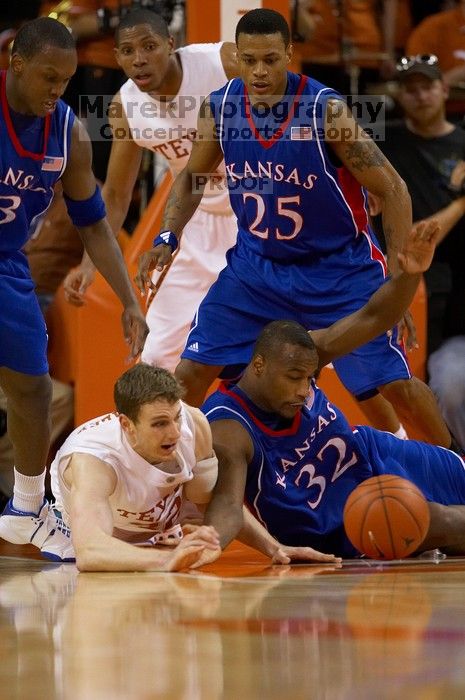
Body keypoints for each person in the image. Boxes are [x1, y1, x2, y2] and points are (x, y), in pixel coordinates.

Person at [136, 7, 451, 447]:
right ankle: (172, 484)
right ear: (238, 59)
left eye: (270, 59)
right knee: (189, 373)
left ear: (289, 54)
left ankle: (453, 467)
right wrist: (168, 236)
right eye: (249, 60)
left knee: (391, 385)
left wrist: (399, 284)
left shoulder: (326, 111)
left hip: (337, 268)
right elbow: (191, 177)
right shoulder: (221, 107)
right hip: (257, 269)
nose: (259, 71)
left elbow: (394, 189)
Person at [200, 222, 465, 558]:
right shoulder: (228, 426)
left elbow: (373, 316)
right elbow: (226, 504)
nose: (302, 389)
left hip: (371, 453)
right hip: (342, 520)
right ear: (258, 366)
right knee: (440, 521)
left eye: (309, 379)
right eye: (293, 377)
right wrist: (204, 546)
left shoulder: (302, 353)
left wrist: (409, 274)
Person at [0, 17, 148, 559]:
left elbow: (94, 223)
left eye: (65, 80)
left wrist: (129, 299)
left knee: (34, 388)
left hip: (7, 262)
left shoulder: (67, 132)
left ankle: (26, 508)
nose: (56, 90)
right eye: (46, 77)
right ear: (15, 64)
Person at [63, 8, 239, 372]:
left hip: (255, 215)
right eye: (128, 51)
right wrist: (89, 262)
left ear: (171, 44)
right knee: (157, 358)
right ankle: (173, 429)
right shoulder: (125, 108)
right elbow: (115, 195)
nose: (139, 59)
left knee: (306, 343)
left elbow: (304, 110)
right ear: (117, 59)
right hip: (196, 224)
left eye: (149, 46)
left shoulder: (222, 63)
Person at [49, 362, 338, 569]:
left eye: (176, 417)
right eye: (160, 424)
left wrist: (275, 548)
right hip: (96, 541)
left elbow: (213, 502)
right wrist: (166, 560)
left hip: (159, 531)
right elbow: (89, 551)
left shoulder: (194, 425)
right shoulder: (94, 459)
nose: (174, 433)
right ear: (127, 425)